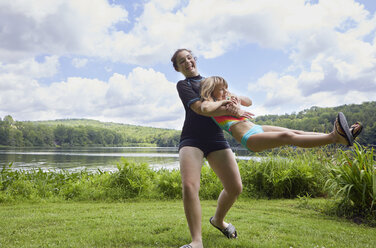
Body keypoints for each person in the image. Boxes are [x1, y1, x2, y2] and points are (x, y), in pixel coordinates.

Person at [171, 49, 251, 248]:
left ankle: (218, 220)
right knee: (189, 186)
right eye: (182, 61)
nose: (187, 62)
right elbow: (200, 109)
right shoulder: (184, 85)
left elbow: (248, 101)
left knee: (235, 188)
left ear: (194, 60)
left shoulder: (212, 82)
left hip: (216, 138)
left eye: (189, 58)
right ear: (178, 68)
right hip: (192, 139)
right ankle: (196, 242)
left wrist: (234, 101)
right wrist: (226, 104)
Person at [200, 76, 363, 152]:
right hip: (249, 138)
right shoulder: (211, 106)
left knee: (296, 132)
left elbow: (249, 101)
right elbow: (206, 109)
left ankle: (341, 136)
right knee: (286, 136)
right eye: (221, 89)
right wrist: (227, 103)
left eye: (226, 87)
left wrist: (236, 97)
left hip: (257, 128)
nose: (226, 91)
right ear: (211, 90)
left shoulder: (229, 98)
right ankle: (335, 137)